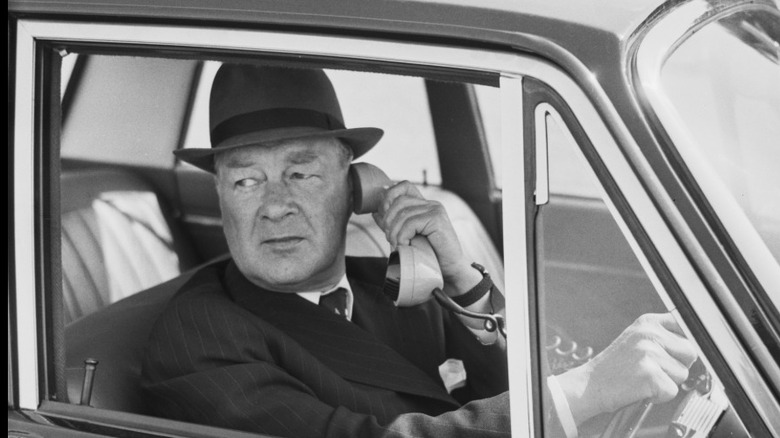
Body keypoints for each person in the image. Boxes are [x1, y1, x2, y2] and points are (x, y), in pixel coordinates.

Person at [141, 63, 697, 437]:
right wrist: (584, 391)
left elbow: (505, 387)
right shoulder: (200, 338)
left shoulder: (390, 283)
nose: (274, 205)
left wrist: (461, 279)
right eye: (246, 181)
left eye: (302, 173)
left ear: (356, 186)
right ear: (220, 196)